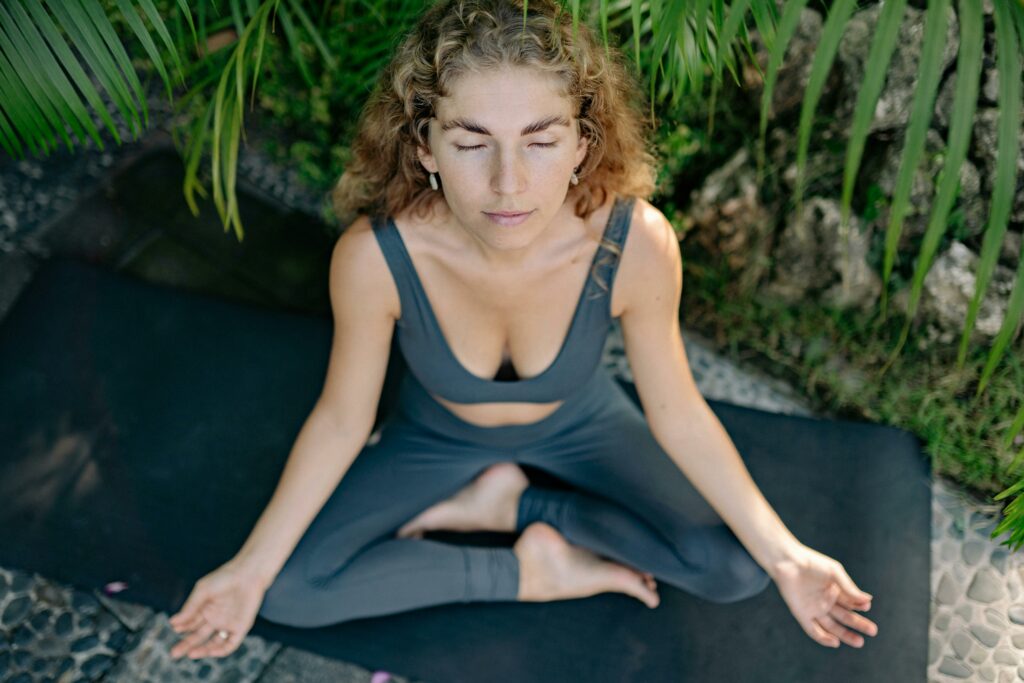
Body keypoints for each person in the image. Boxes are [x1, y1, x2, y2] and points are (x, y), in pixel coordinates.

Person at [169, 0, 879, 660]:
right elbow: (342, 418)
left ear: (581, 143)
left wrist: (789, 554)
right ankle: (531, 569)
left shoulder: (635, 242)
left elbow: (678, 411)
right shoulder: (376, 255)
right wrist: (247, 568)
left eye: (540, 141)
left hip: (584, 424)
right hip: (436, 434)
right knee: (289, 589)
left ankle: (516, 502)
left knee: (733, 568)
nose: (509, 184)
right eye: (473, 143)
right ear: (424, 147)